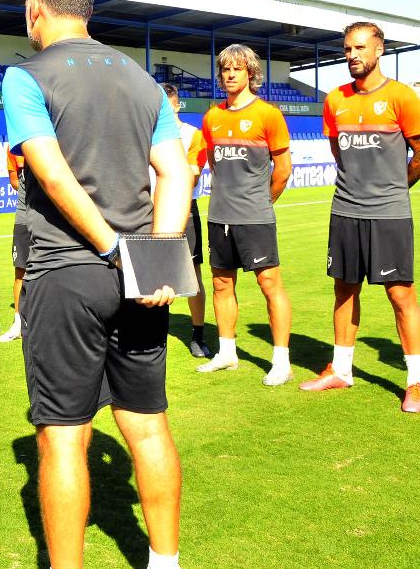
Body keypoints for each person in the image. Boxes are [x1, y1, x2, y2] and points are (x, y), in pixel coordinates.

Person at [2, 0, 190, 569]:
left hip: (68, 271)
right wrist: (155, 259)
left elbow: (53, 177)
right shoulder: (141, 79)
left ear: (36, 9)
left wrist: (111, 250)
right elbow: (175, 170)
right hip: (144, 276)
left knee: (61, 440)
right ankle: (165, 562)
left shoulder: (26, 76)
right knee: (147, 424)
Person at [301, 21, 420, 413]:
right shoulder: (335, 99)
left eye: (359, 48)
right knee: (344, 289)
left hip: (388, 213)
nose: (352, 55)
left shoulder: (402, 97)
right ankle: (342, 370)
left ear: (379, 50)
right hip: (345, 210)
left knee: (400, 296)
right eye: (347, 49)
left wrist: (395, 188)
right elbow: (339, 151)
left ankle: (415, 382)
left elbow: (419, 154)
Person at [195, 48, 293, 385]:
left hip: (255, 217)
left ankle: (281, 361)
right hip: (219, 214)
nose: (231, 75)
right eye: (225, 69)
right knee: (221, 283)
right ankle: (227, 352)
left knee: (270, 285)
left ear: (250, 73)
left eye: (238, 69)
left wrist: (262, 202)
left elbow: (283, 170)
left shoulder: (268, 114)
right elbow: (212, 162)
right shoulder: (212, 117)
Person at [161, 85, 211, 358]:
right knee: (152, 272)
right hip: (151, 210)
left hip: (183, 209)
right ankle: (155, 331)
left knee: (192, 275)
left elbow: (191, 175)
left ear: (178, 106)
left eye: (168, 107)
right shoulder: (147, 133)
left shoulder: (193, 135)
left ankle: (198, 334)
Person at [0, 149, 27, 342]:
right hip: (25, 214)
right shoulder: (15, 145)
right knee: (21, 270)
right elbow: (15, 181)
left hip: (53, 215)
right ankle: (18, 324)